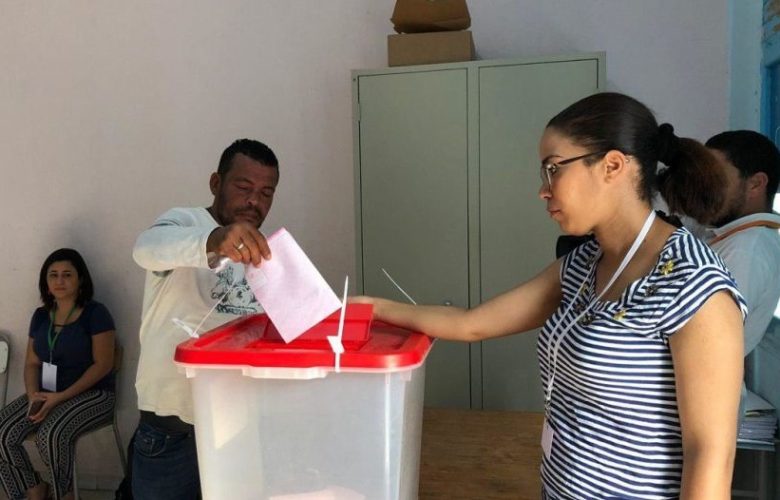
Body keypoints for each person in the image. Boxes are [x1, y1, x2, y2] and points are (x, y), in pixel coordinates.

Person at [355, 93, 747, 498]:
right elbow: (472, 324)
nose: (543, 190)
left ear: (612, 165)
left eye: (553, 169)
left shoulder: (692, 284)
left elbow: (710, 455)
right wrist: (372, 308)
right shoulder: (584, 264)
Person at [130, 139, 279, 499]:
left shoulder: (264, 252)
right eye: (243, 187)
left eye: (266, 193)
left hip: (238, 431)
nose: (254, 201)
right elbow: (146, 248)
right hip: (171, 435)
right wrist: (214, 240)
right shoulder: (185, 222)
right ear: (216, 183)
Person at [0, 248, 116, 500]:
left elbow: (103, 364)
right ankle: (34, 489)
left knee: (51, 434)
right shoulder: (41, 316)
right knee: (2, 431)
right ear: (46, 281)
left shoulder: (96, 314)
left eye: (67, 275)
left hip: (93, 394)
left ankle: (64, 493)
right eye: (53, 275)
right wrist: (34, 395)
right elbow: (32, 363)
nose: (59, 281)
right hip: (46, 393)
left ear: (80, 279)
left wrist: (61, 397)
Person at [701, 130, 780, 355]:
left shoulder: (746, 251)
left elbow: (709, 341)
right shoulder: (732, 233)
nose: (704, 189)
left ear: (756, 184)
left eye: (717, 179)